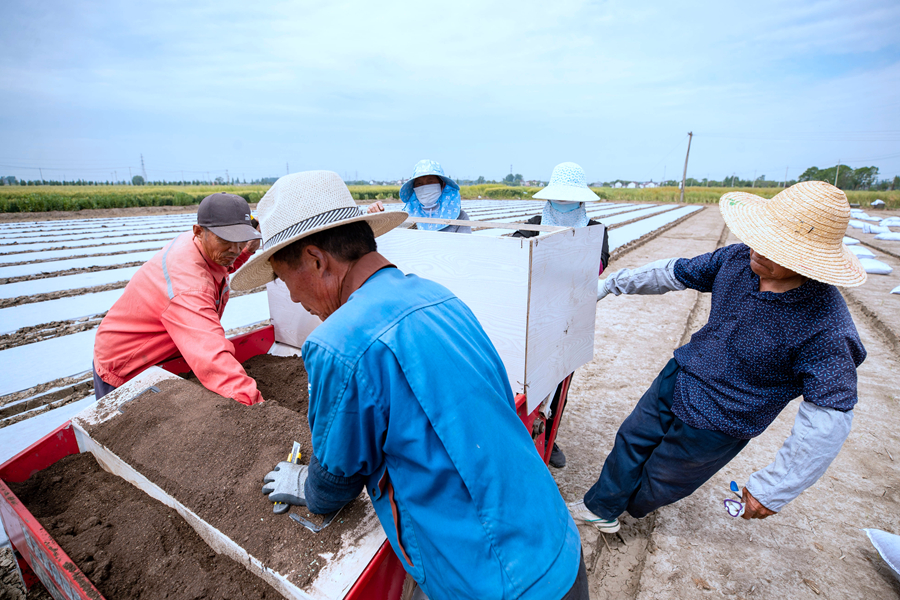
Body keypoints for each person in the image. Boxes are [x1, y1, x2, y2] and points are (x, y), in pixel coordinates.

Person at [235, 171, 587, 600]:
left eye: (282, 278)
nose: (291, 297)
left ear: (315, 259)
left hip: (496, 582)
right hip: (555, 542)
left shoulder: (339, 342)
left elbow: (335, 482)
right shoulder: (438, 295)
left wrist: (309, 485)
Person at [567, 181, 867, 534]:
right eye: (762, 237)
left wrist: (774, 488)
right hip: (680, 375)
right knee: (632, 439)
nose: (759, 250)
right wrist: (612, 284)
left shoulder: (826, 326)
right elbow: (674, 272)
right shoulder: (738, 259)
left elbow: (827, 418)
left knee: (663, 480)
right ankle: (601, 506)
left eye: (776, 249)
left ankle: (633, 505)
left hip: (724, 416)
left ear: (809, 261)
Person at [92, 193, 264, 404]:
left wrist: (246, 250)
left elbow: (222, 265)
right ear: (199, 231)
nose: (235, 249)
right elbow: (210, 355)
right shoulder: (189, 285)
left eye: (240, 240)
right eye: (227, 240)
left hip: (165, 356)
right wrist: (256, 406)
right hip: (128, 364)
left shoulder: (202, 246)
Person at [513, 162, 610, 469]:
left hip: (569, 317)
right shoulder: (533, 223)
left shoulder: (595, 230)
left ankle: (549, 437)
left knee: (559, 377)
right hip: (532, 315)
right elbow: (512, 253)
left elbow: (595, 268)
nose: (564, 202)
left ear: (582, 199)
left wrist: (556, 258)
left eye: (571, 197)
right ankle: (522, 432)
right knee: (528, 376)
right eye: (560, 196)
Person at [368, 159, 472, 233]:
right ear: (414, 188)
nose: (425, 187)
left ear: (442, 185)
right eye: (419, 184)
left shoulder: (459, 217)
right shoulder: (405, 217)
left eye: (430, 182)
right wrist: (376, 218)